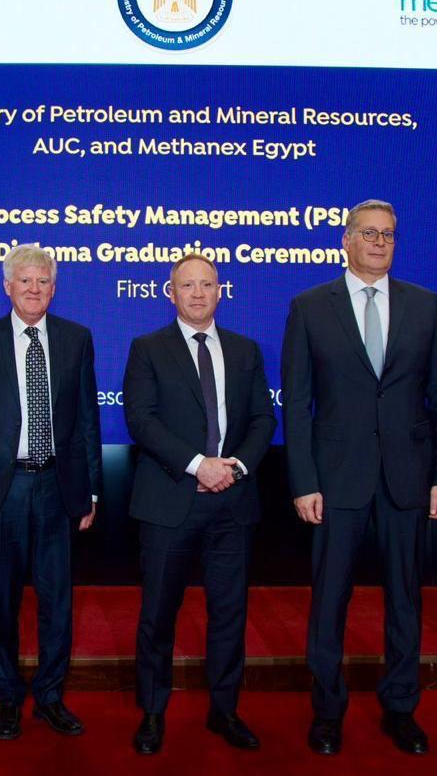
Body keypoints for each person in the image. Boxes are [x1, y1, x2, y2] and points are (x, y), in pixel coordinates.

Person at [281, 199, 437, 756]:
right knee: (329, 599)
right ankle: (327, 711)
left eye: (388, 234)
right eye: (369, 233)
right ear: (346, 240)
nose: (380, 242)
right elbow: (298, 404)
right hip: (336, 481)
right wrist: (303, 481)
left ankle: (401, 707)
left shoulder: (426, 305)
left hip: (409, 478)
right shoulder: (310, 306)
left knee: (405, 599)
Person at [123, 254, 276, 755]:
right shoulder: (147, 348)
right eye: (186, 285)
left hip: (233, 503)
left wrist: (235, 467)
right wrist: (197, 465)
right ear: (171, 293)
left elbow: (263, 420)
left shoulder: (246, 350)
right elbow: (141, 420)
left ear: (219, 290)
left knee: (230, 615)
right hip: (170, 502)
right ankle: (152, 712)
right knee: (158, 615)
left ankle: (224, 711)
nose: (196, 293)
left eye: (206, 284)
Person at [0, 244, 102, 741]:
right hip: (1, 489)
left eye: (43, 281)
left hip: (59, 487)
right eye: (25, 280)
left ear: (53, 289)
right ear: (7, 287)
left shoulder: (77, 339)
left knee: (57, 601)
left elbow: (87, 421)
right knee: (1, 602)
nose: (34, 289)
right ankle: (9, 697)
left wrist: (91, 492)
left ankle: (51, 697)